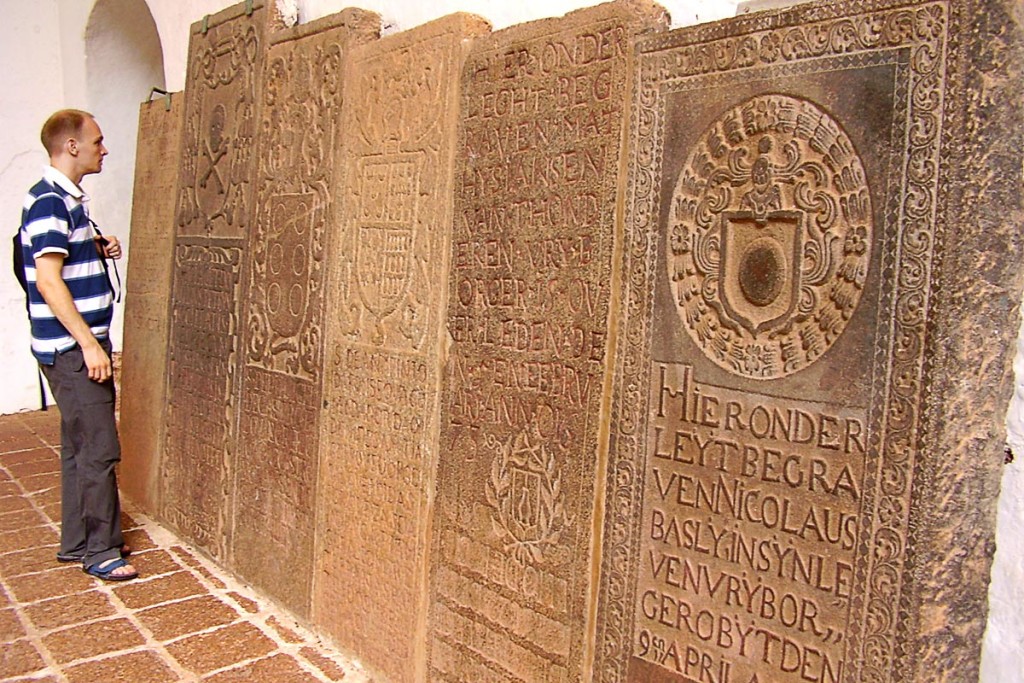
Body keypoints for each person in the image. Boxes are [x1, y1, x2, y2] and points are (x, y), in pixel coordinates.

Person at [18, 109, 137, 581]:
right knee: (100, 448)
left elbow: (59, 258)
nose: (103, 149)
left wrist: (95, 245)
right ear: (71, 146)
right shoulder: (50, 201)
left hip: (66, 345)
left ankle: (77, 541)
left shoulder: (65, 201)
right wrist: (88, 344)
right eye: (97, 141)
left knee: (78, 444)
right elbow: (48, 281)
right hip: (71, 347)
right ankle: (102, 551)